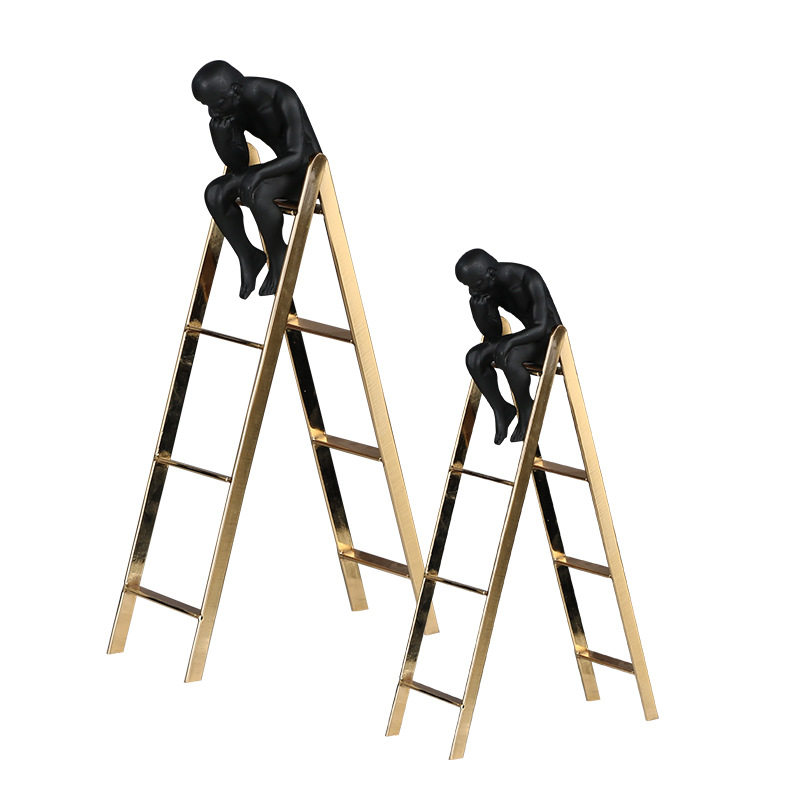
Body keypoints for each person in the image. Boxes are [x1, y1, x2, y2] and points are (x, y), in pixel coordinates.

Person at [192, 61, 322, 298]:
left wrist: (259, 173)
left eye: (216, 104)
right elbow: (239, 164)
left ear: (235, 90)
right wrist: (221, 138)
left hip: (306, 173)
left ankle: (278, 254)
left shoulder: (281, 96)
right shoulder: (235, 107)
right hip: (280, 171)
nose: (212, 112)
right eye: (207, 106)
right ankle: (248, 256)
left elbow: (297, 155)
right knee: (215, 193)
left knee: (258, 191)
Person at [456, 248, 562, 444]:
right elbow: (493, 334)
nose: (472, 291)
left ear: (491, 273)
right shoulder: (490, 287)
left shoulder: (529, 278)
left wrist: (510, 341)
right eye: (468, 287)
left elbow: (542, 326)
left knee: (510, 356)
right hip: (527, 339)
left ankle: (526, 408)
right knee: (474, 357)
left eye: (475, 285)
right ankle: (501, 409)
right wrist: (479, 311)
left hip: (548, 341)